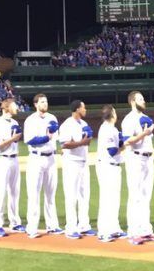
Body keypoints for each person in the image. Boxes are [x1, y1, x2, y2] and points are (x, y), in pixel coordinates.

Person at [122, 90, 154, 245]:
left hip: (147, 158)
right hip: (135, 158)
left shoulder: (145, 118)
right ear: (133, 102)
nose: (144, 101)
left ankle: (145, 230)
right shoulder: (128, 120)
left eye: (144, 98)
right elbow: (127, 141)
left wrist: (147, 132)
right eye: (140, 99)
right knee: (135, 195)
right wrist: (144, 133)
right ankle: (133, 232)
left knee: (146, 195)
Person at [23, 93, 61, 238]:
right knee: (34, 194)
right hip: (36, 159)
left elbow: (54, 140)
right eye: (42, 102)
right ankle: (31, 228)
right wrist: (46, 137)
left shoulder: (52, 118)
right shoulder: (30, 120)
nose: (45, 104)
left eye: (46, 101)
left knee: (50, 194)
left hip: (51, 158)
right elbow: (29, 140)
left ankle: (53, 225)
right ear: (36, 104)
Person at [58, 100, 93, 239]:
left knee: (85, 195)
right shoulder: (67, 124)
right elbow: (64, 144)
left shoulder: (84, 124)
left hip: (83, 162)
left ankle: (84, 225)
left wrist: (86, 141)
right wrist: (81, 143)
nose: (85, 109)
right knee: (71, 195)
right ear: (77, 109)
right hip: (72, 162)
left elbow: (86, 141)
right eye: (84, 107)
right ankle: (71, 227)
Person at [0, 97, 24, 237]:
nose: (17, 108)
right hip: (2, 160)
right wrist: (12, 139)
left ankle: (15, 222)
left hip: (14, 158)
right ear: (6, 108)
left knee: (15, 192)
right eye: (14, 106)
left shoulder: (15, 122)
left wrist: (14, 139)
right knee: (0, 193)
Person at [96, 104, 127, 243]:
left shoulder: (111, 128)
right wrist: (124, 145)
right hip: (107, 166)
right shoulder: (107, 129)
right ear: (112, 115)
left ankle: (114, 227)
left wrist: (121, 141)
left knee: (114, 198)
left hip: (113, 166)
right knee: (107, 198)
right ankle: (103, 231)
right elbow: (112, 151)